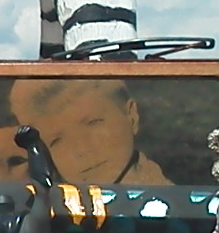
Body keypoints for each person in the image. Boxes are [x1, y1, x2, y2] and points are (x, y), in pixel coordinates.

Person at [9, 77, 166, 185]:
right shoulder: (47, 214)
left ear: (131, 115)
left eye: (93, 123)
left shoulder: (173, 206)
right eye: (56, 141)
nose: (81, 149)